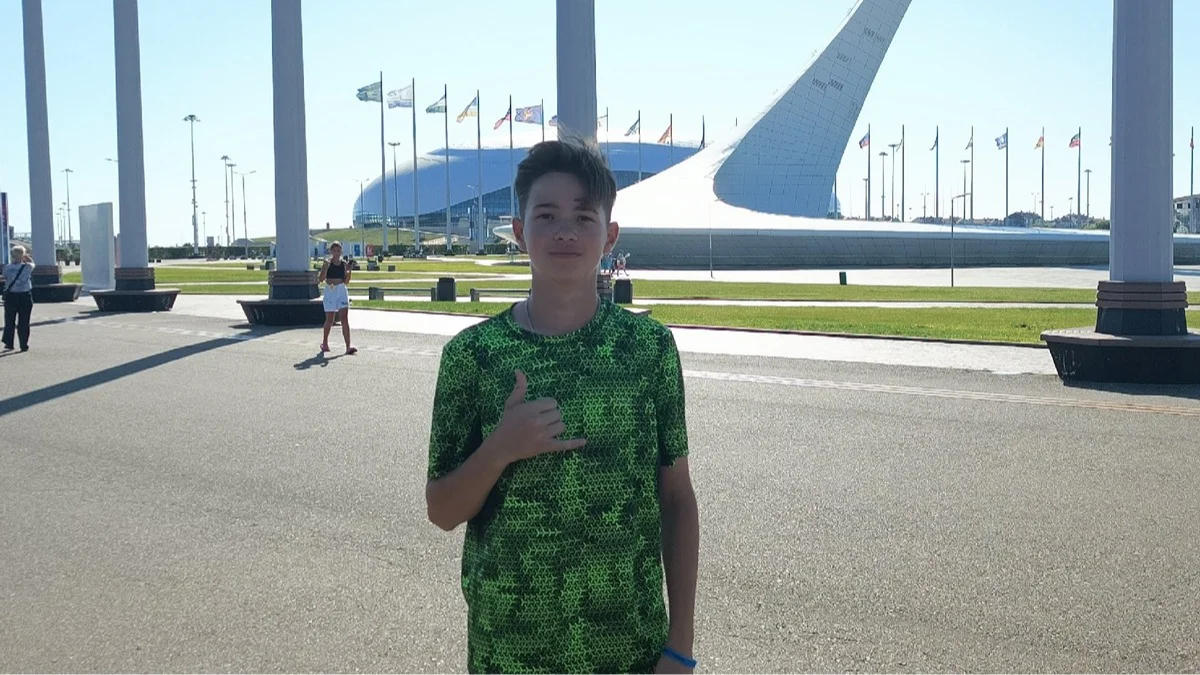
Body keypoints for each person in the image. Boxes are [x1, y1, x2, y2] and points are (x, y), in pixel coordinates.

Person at [425, 138, 700, 674]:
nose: (566, 231)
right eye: (546, 215)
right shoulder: (473, 356)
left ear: (609, 235)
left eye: (583, 216)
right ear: (519, 231)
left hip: (629, 647)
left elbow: (677, 500)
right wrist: (500, 449)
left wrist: (680, 647)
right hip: (512, 649)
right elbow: (442, 511)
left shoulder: (647, 350)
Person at [316, 241, 357, 355]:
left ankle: (348, 346)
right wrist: (325, 268)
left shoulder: (343, 264)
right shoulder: (328, 263)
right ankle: (325, 343)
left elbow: (346, 281)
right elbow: (321, 279)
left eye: (338, 250)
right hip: (330, 290)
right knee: (330, 319)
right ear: (331, 252)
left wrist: (349, 271)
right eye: (334, 251)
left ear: (341, 252)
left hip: (341, 290)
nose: (336, 253)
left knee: (344, 318)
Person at [2, 246, 35, 352]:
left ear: (12, 255)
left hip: (11, 296)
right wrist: (26, 257)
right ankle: (23, 344)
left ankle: (9, 343)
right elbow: (33, 263)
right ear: (23, 255)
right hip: (25, 295)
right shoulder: (28, 267)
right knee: (24, 321)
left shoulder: (7, 268)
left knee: (9, 320)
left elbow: (5, 276)